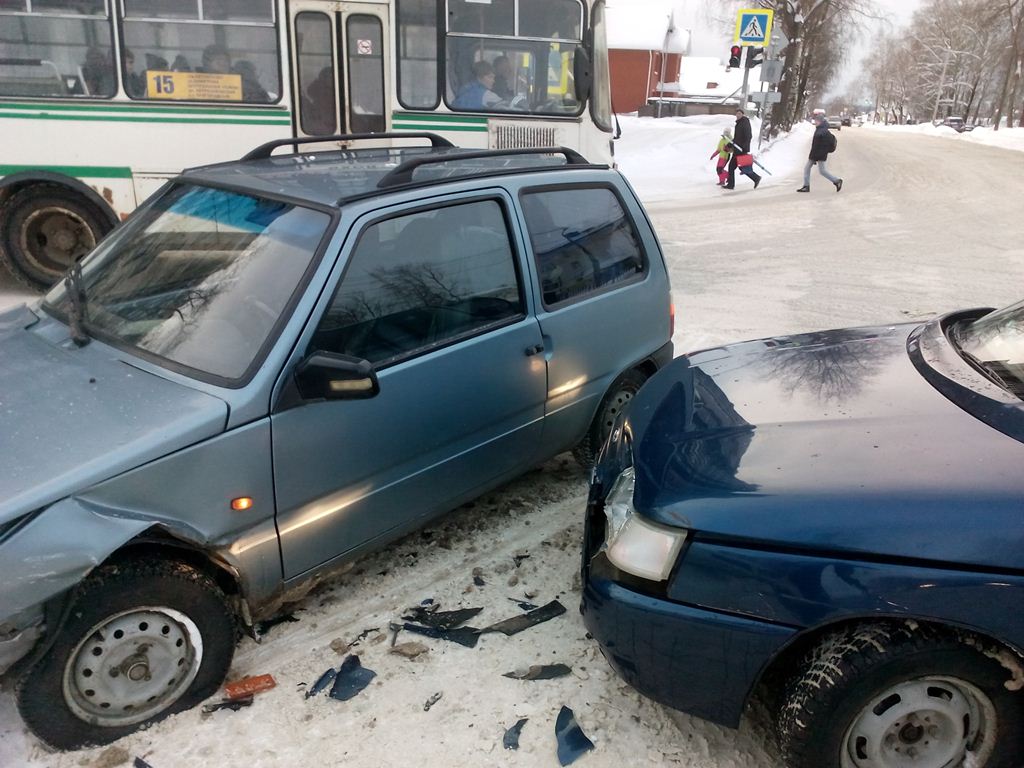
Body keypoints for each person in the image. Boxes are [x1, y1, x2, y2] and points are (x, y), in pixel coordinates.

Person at [797, 113, 843, 193]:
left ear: (821, 121)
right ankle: (806, 186)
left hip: (819, 155)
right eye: (815, 120)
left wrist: (816, 157)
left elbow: (822, 146)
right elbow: (816, 145)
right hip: (817, 154)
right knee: (817, 170)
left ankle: (836, 181)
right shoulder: (820, 129)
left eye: (817, 120)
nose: (815, 122)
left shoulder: (822, 131)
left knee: (819, 170)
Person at [725, 108, 761, 190]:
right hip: (737, 149)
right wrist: (730, 144)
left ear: (742, 114)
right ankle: (756, 178)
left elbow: (748, 136)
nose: (738, 115)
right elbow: (737, 138)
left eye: (739, 113)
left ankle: (731, 185)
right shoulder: (738, 123)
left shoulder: (745, 123)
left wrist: (744, 147)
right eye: (737, 114)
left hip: (741, 149)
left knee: (734, 166)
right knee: (739, 167)